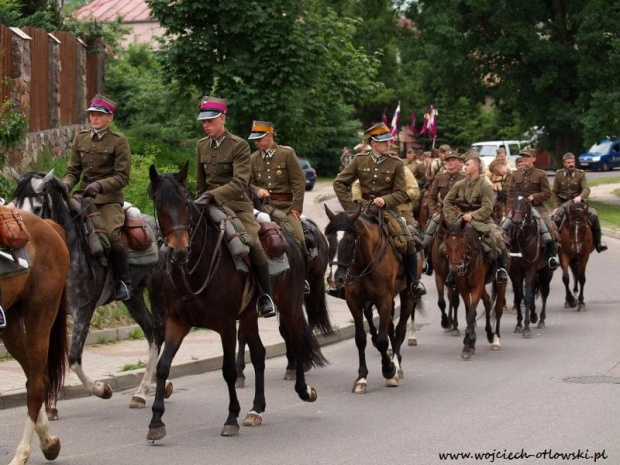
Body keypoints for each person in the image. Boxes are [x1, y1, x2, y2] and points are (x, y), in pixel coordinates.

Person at [193, 97, 276, 318]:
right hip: (208, 204)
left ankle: (265, 296)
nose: (206, 125)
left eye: (210, 121)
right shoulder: (201, 145)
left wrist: (211, 195)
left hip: (237, 205)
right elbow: (200, 183)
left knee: (252, 240)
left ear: (222, 118)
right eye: (203, 122)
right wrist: (197, 202)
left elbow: (240, 182)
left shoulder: (239, 145)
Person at [333, 123, 425, 297]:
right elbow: (339, 183)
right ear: (373, 143)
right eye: (384, 142)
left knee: (407, 240)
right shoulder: (360, 160)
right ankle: (339, 282)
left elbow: (400, 193)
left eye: (389, 141)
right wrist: (352, 208)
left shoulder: (396, 163)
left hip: (389, 211)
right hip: (363, 210)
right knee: (341, 237)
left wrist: (386, 200)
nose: (388, 144)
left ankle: (413, 283)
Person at [62, 95, 132, 301]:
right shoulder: (80, 138)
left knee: (112, 236)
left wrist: (100, 185)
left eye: (99, 115)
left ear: (110, 117)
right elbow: (72, 171)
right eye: (92, 114)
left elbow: (123, 176)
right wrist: (64, 185)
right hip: (82, 196)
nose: (94, 118)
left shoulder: (119, 141)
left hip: (108, 200)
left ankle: (124, 282)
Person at [248, 120, 312, 292]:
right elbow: (248, 183)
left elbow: (299, 182)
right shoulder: (253, 158)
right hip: (264, 206)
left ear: (269, 136)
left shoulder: (286, 154)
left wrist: (296, 208)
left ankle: (304, 278)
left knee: (299, 237)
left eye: (259, 139)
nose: (256, 143)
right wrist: (258, 189)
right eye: (254, 139)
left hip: (286, 206)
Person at [443, 153, 509, 284]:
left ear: (476, 166)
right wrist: (452, 219)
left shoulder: (486, 186)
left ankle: (501, 269)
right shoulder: (459, 184)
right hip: (461, 220)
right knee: (446, 244)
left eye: (467, 165)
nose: (464, 167)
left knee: (497, 238)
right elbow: (447, 201)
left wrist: (472, 215)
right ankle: (449, 271)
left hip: (482, 220)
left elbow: (487, 208)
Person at [502, 148, 559, 269]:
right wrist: (509, 210)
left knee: (548, 228)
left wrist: (534, 197)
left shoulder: (540, 174)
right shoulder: (515, 174)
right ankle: (501, 259)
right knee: (502, 228)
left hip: (537, 207)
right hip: (518, 209)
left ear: (534, 159)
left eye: (527, 157)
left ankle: (551, 256)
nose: (525, 159)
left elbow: (547, 193)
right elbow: (510, 194)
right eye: (523, 157)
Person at [551, 152, 607, 252]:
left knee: (594, 215)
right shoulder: (559, 175)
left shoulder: (580, 174)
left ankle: (598, 242)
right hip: (563, 204)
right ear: (564, 163)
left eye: (572, 162)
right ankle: (554, 245)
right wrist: (555, 207)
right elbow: (554, 192)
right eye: (568, 162)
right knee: (553, 219)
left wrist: (580, 197)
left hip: (578, 203)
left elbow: (586, 189)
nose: (571, 164)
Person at [421, 150, 466, 274]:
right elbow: (432, 197)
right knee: (427, 237)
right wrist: (433, 212)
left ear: (458, 162)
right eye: (448, 161)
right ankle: (428, 262)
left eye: (453, 160)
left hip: (460, 215)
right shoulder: (440, 177)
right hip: (442, 214)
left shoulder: (465, 178)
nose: (450, 163)